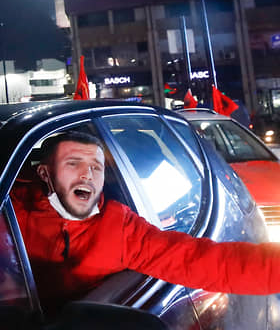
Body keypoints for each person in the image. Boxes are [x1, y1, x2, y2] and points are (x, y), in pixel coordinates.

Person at [14, 130, 280, 314]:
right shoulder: (9, 210)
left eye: (96, 167)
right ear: (44, 173)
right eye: (73, 164)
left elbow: (208, 262)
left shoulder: (118, 227)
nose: (87, 175)